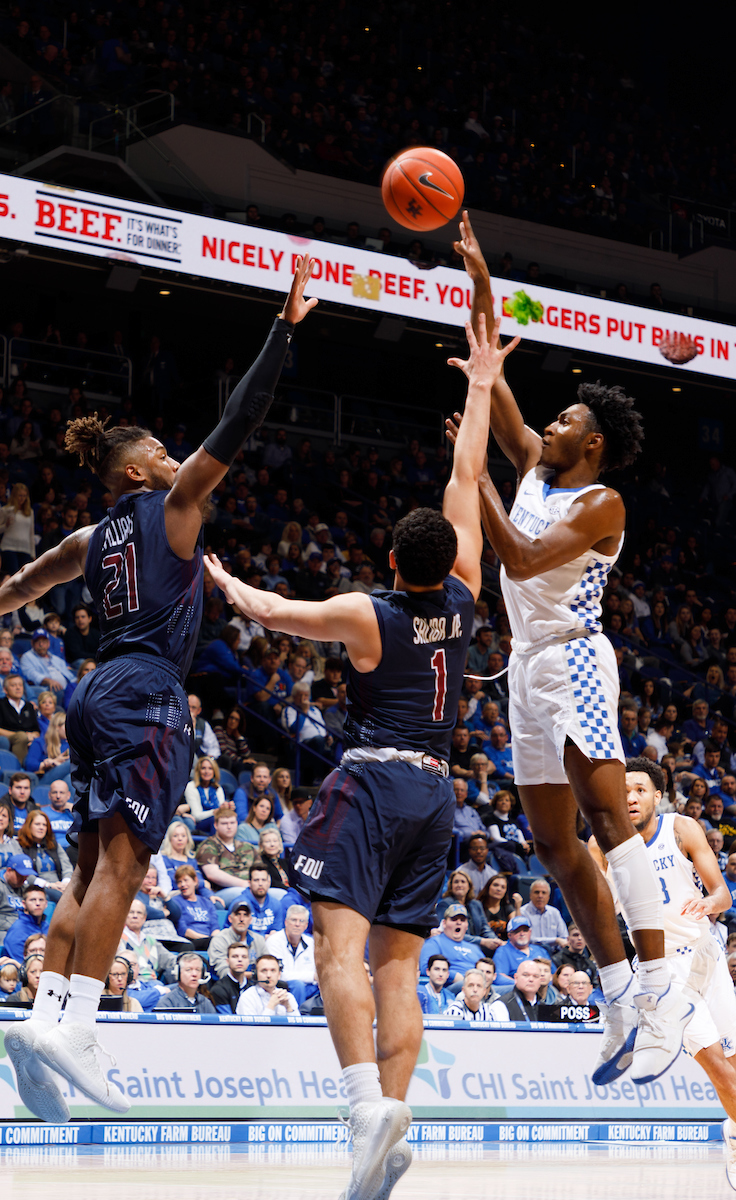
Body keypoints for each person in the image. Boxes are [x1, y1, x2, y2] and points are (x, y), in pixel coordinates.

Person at [0, 255, 318, 1123]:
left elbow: (32, 577)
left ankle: (43, 1020)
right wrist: (283, 330)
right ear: (137, 475)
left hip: (94, 693)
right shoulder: (176, 505)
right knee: (127, 864)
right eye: (158, 450)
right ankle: (80, 1027)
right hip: (147, 690)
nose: (171, 454)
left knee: (87, 869)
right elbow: (240, 419)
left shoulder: (92, 536)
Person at [203, 311, 514, 1200]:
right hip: (438, 798)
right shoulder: (466, 593)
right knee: (399, 968)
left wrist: (223, 579)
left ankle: (363, 1106)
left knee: (336, 952)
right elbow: (466, 473)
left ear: (389, 558)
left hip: (374, 782)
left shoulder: (367, 613)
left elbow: (270, 611)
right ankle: (395, 1118)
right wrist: (482, 383)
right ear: (451, 557)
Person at [455, 211, 686, 1086]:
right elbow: (492, 365)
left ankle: (662, 997)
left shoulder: (602, 505)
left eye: (561, 420)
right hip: (527, 665)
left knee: (609, 824)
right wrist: (480, 279)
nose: (544, 425)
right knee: (553, 843)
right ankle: (619, 991)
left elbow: (517, 556)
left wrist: (471, 475)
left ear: (591, 443)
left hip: (578, 659)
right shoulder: (536, 468)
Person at [590, 756, 736, 1187]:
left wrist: (709, 903)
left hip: (706, 956)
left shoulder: (681, 828)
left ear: (658, 795)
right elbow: (596, 914)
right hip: (661, 970)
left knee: (733, 1064)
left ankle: (733, 1131)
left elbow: (723, 894)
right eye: (623, 791)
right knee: (717, 1067)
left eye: (639, 790)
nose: (630, 798)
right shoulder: (601, 844)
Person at [265, 904, 317, 1006]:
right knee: (298, 985)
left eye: (301, 921)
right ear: (286, 922)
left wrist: (315, 978)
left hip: (308, 986)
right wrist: (312, 976)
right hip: (282, 986)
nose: (297, 924)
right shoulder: (274, 941)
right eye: (294, 920)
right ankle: (298, 1015)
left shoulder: (311, 942)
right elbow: (279, 974)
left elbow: (316, 972)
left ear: (306, 925)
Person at [207, 899, 267, 979]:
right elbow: (224, 973)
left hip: (254, 984)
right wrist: (254, 975)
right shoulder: (219, 940)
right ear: (230, 918)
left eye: (245, 915)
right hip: (226, 985)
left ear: (250, 920)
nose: (241, 919)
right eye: (238, 914)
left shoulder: (258, 940)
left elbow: (267, 966)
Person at [492, 914, 555, 981]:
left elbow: (554, 974)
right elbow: (499, 977)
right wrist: (520, 983)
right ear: (509, 935)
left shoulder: (540, 950)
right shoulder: (503, 951)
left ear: (530, 932)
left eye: (525, 930)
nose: (522, 934)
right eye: (517, 931)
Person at [235, 952, 299, 1015]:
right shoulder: (247, 997)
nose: (268, 975)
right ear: (256, 975)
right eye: (264, 971)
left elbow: (298, 1021)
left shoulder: (288, 997)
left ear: (279, 975)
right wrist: (271, 1005)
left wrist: (288, 1008)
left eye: (273, 970)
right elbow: (249, 1022)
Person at [2, 882, 51, 961]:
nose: (38, 903)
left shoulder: (48, 927)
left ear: (46, 904)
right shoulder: (17, 930)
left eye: (41, 900)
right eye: (33, 900)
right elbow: (20, 963)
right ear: (24, 904)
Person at [520, 878, 569, 954]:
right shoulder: (523, 912)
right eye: (537, 892)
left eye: (544, 893)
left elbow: (564, 937)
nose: (540, 896)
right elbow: (527, 939)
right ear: (530, 895)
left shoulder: (554, 912)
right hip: (531, 954)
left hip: (554, 955)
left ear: (548, 897)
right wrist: (555, 940)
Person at [444, 968, 509, 1021]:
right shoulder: (454, 1011)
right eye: (471, 985)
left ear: (484, 991)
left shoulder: (488, 1011)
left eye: (479, 986)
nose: (475, 990)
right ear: (463, 990)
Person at [208, 941, 251, 1013]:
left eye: (244, 957)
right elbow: (228, 1018)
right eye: (235, 956)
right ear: (227, 961)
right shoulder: (218, 989)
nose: (240, 960)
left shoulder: (253, 988)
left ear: (248, 961)